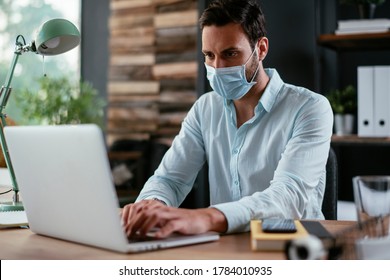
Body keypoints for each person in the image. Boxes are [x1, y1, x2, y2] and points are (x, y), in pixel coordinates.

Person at [121, 0, 333, 239]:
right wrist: (150, 205)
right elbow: (170, 179)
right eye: (209, 55)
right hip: (223, 244)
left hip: (290, 245)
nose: (218, 67)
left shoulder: (310, 108)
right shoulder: (205, 108)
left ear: (261, 49)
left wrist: (206, 217)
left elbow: (288, 197)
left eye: (230, 54)